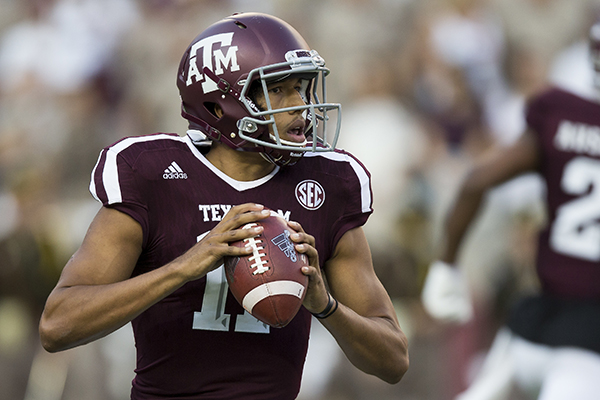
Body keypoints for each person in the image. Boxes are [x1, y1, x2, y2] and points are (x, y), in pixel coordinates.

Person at [38, 12, 409, 399]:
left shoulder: (327, 183)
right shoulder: (152, 174)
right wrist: (184, 267)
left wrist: (325, 304)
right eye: (278, 90)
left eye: (301, 88)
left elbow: (393, 359)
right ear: (219, 106)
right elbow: (58, 325)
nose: (300, 105)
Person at [421, 22, 600, 400]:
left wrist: (445, 265)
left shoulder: (560, 112)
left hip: (533, 326)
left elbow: (475, 182)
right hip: (587, 347)